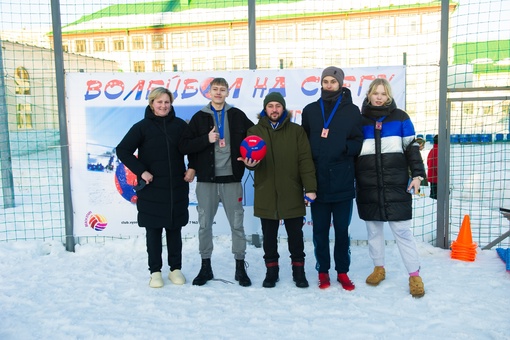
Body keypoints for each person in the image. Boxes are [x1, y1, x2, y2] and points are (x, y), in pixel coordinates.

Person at [354, 78, 426, 298]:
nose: (379, 97)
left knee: (402, 232)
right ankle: (379, 268)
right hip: (369, 185)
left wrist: (417, 175)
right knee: (374, 231)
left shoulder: (401, 117)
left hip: (396, 185)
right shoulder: (359, 120)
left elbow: (412, 148)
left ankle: (414, 276)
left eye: (383, 94)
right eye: (375, 93)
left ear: (389, 96)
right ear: (368, 95)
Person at [179, 77, 254, 287]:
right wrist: (205, 140)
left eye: (222, 89)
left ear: (228, 92)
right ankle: (206, 267)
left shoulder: (237, 115)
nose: (218, 93)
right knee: (204, 225)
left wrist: (250, 159)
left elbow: (254, 138)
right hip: (206, 181)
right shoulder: (199, 117)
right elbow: (185, 145)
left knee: (237, 225)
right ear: (209, 93)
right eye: (215, 89)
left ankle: (240, 267)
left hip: (231, 180)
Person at [116, 87, 194, 288]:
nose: (163, 106)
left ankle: (175, 269)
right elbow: (123, 150)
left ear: (171, 104)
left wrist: (192, 168)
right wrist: (141, 171)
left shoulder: (179, 126)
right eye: (159, 102)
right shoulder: (141, 127)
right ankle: (156, 271)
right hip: (152, 189)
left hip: (176, 188)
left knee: (174, 230)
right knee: (153, 232)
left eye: (167, 102)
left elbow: (193, 148)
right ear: (152, 104)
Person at [239, 92, 317, 288]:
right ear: (265, 109)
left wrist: (310, 188)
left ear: (284, 109)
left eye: (278, 106)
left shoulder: (296, 131)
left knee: (296, 237)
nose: (274, 109)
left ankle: (299, 272)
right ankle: (271, 272)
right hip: (266, 192)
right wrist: (250, 164)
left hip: (291, 191)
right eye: (270, 106)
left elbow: (305, 161)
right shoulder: (254, 131)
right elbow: (251, 161)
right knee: (269, 237)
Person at [301, 66, 363, 290]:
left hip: (343, 181)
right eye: (325, 81)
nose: (329, 85)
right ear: (321, 83)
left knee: (342, 232)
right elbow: (304, 145)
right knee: (319, 231)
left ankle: (343, 272)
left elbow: (358, 141)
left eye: (333, 82)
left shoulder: (352, 111)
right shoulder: (310, 110)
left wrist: (343, 148)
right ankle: (323, 271)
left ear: (340, 84)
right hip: (317, 183)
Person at [427, 135, 439, 200]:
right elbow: (438, 165)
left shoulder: (432, 150)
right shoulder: (439, 150)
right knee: (436, 197)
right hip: (437, 178)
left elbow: (428, 161)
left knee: (433, 195)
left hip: (432, 176)